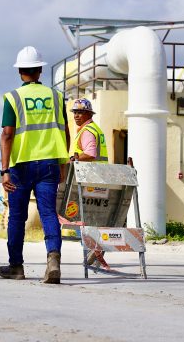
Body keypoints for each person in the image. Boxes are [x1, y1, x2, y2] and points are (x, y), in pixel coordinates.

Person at [0, 46, 70, 284]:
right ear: (40, 69)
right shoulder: (57, 96)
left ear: (20, 72)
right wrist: (63, 162)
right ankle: (53, 261)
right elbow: (65, 130)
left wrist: (5, 170)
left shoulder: (13, 98)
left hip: (20, 166)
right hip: (49, 162)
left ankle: (16, 267)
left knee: (17, 217)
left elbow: (7, 135)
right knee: (49, 212)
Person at [69, 98, 109, 266]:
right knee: (95, 218)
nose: (76, 116)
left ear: (88, 114)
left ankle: (94, 250)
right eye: (75, 112)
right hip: (100, 177)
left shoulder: (87, 131)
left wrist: (73, 159)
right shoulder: (94, 128)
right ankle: (96, 251)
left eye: (80, 112)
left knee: (86, 217)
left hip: (91, 178)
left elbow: (91, 153)